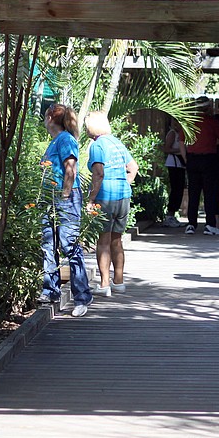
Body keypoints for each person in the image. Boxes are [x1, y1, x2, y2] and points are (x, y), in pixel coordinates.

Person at [38, 103, 93, 317]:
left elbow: (70, 167)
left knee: (68, 244)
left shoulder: (66, 139)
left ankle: (82, 296)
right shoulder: (55, 141)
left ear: (51, 117)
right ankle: (51, 290)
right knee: (49, 243)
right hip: (49, 199)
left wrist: (65, 194)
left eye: (45, 115)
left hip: (64, 198)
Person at [84, 111, 139, 297]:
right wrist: (124, 183)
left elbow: (98, 174)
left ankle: (104, 284)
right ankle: (119, 281)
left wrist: (91, 199)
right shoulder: (117, 143)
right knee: (117, 240)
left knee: (103, 241)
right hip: (123, 197)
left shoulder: (97, 145)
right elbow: (133, 168)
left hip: (105, 198)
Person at [183, 97, 219, 236]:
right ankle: (210, 225)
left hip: (192, 159)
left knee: (194, 193)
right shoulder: (212, 122)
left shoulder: (190, 123)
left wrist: (186, 157)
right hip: (209, 159)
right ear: (208, 108)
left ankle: (191, 224)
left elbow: (182, 141)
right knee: (209, 193)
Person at [160, 119, 187, 228]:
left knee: (180, 189)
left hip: (180, 164)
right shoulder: (172, 133)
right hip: (173, 163)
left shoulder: (181, 134)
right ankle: (169, 215)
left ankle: (172, 214)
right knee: (176, 189)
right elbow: (166, 149)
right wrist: (180, 150)